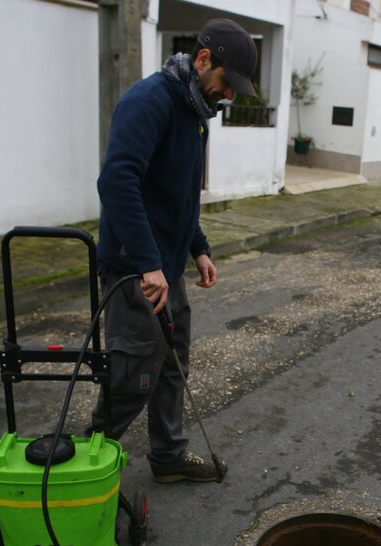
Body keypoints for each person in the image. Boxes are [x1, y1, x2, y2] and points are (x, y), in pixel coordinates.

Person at [87, 18, 258, 484]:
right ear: (204, 60)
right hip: (134, 270)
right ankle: (86, 456)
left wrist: (197, 248)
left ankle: (167, 456)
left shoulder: (194, 113)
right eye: (227, 83)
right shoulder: (149, 102)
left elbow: (177, 195)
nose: (229, 96)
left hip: (168, 268)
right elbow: (117, 183)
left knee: (171, 362)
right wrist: (147, 263)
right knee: (134, 367)